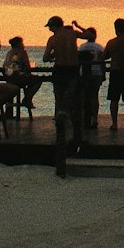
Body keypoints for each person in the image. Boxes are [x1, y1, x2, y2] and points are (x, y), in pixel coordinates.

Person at [43, 16, 90, 151]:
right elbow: (89, 35)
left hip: (59, 70)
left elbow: (45, 58)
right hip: (73, 69)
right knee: (75, 101)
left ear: (55, 26)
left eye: (50, 27)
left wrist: (54, 54)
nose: (50, 30)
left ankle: (61, 129)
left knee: (59, 99)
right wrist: (78, 25)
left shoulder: (53, 39)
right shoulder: (72, 34)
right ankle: (76, 133)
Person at [78, 27, 106, 129]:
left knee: (84, 96)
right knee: (94, 96)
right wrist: (104, 74)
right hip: (96, 72)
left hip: (84, 73)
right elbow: (102, 61)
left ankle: (84, 117)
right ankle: (94, 119)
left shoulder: (82, 47)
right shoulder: (99, 47)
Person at [4, 36, 41, 111]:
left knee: (30, 80)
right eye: (22, 43)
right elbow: (27, 67)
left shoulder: (9, 52)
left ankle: (9, 112)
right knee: (38, 80)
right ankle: (27, 99)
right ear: (19, 44)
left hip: (9, 79)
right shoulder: (22, 52)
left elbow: (5, 66)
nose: (23, 45)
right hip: (18, 78)